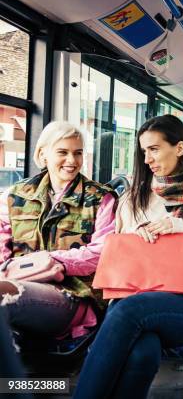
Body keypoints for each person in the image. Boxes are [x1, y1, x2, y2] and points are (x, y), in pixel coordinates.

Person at [73, 115, 183, 399]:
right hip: (134, 294)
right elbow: (119, 256)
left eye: (155, 149)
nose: (147, 158)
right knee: (141, 354)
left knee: (127, 311)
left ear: (180, 148)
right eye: (144, 151)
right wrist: (137, 239)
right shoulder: (133, 198)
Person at [0, 121, 116, 341]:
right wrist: (9, 268)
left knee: (5, 296)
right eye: (63, 152)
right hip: (14, 279)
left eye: (78, 153)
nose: (72, 161)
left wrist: (47, 262)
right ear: (43, 154)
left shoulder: (101, 198)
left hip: (73, 293)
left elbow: (103, 253)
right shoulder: (15, 195)